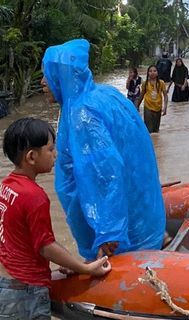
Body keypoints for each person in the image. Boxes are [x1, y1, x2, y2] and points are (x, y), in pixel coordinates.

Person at [41, 39, 166, 261]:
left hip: (127, 241)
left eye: (49, 75)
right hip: (145, 221)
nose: (43, 82)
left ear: (63, 77)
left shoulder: (82, 114)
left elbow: (105, 174)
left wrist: (109, 234)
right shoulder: (106, 95)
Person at [0, 118, 111, 319]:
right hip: (27, 291)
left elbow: (24, 237)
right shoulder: (35, 196)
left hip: (6, 282)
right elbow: (45, 246)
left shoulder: (7, 186)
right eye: (50, 149)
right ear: (32, 157)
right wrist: (84, 268)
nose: (56, 154)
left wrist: (65, 260)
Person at [136, 65, 168, 133]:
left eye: (154, 71)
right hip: (148, 107)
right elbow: (141, 95)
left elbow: (165, 95)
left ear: (157, 73)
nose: (152, 72)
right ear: (148, 73)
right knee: (149, 130)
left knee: (156, 130)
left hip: (158, 107)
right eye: (150, 71)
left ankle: (156, 143)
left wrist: (165, 107)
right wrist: (137, 106)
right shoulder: (145, 83)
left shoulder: (161, 83)